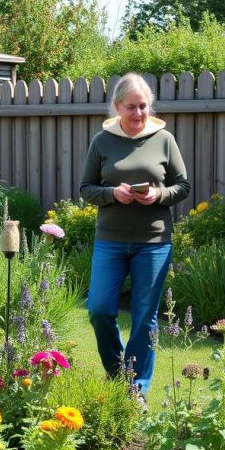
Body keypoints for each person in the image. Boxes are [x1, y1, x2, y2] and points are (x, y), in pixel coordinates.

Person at [80, 73, 190, 401]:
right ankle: (119, 375)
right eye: (131, 107)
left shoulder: (164, 139)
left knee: (145, 317)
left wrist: (158, 195)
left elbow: (182, 186)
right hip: (110, 240)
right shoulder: (102, 142)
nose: (139, 113)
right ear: (116, 107)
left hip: (153, 243)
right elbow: (85, 189)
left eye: (143, 106)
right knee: (99, 309)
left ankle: (137, 390)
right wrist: (113, 192)